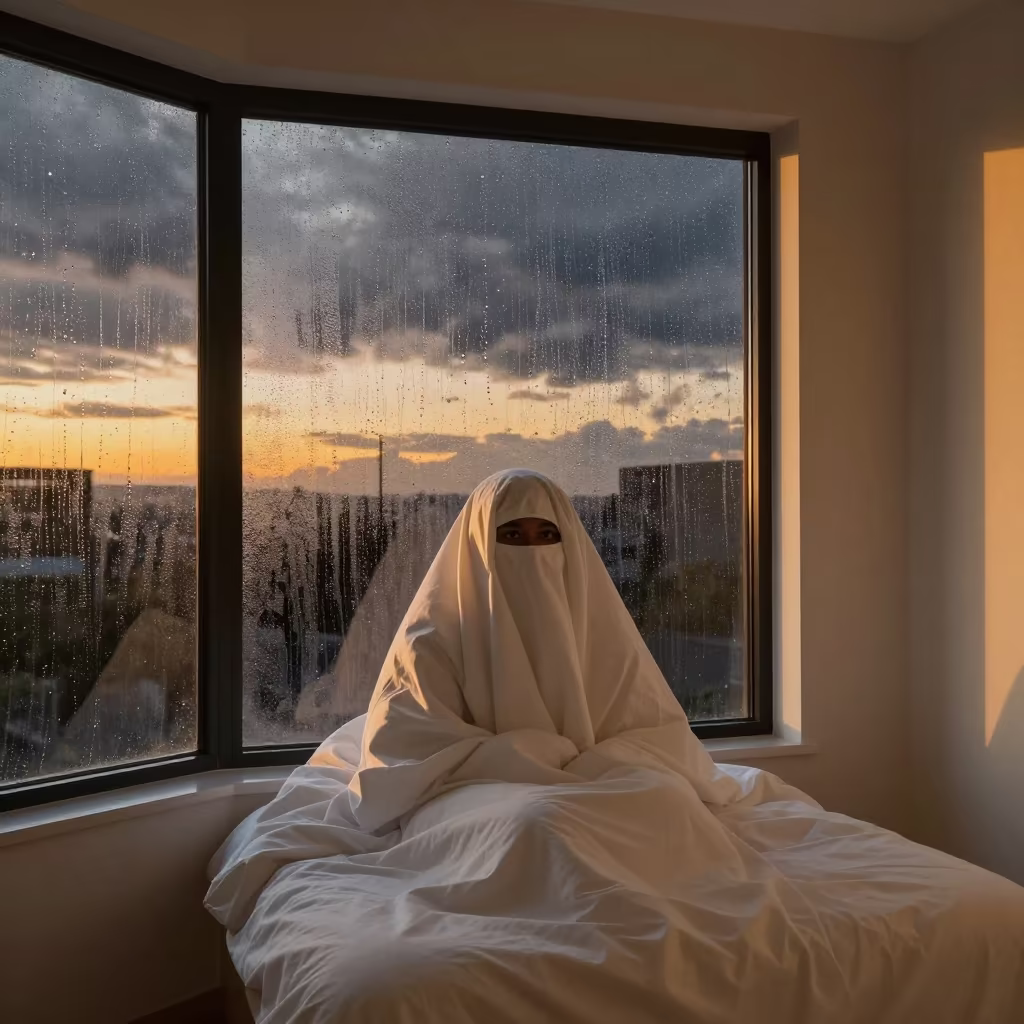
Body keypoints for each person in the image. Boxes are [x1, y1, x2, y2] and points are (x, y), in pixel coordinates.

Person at [207, 469, 780, 930]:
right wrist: (533, 759)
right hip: (469, 793)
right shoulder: (434, 637)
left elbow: (654, 733)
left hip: (600, 785)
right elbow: (404, 752)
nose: (530, 552)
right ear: (482, 545)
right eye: (511, 537)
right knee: (539, 824)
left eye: (544, 536)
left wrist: (592, 765)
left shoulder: (600, 631)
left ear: (568, 544)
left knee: (668, 806)